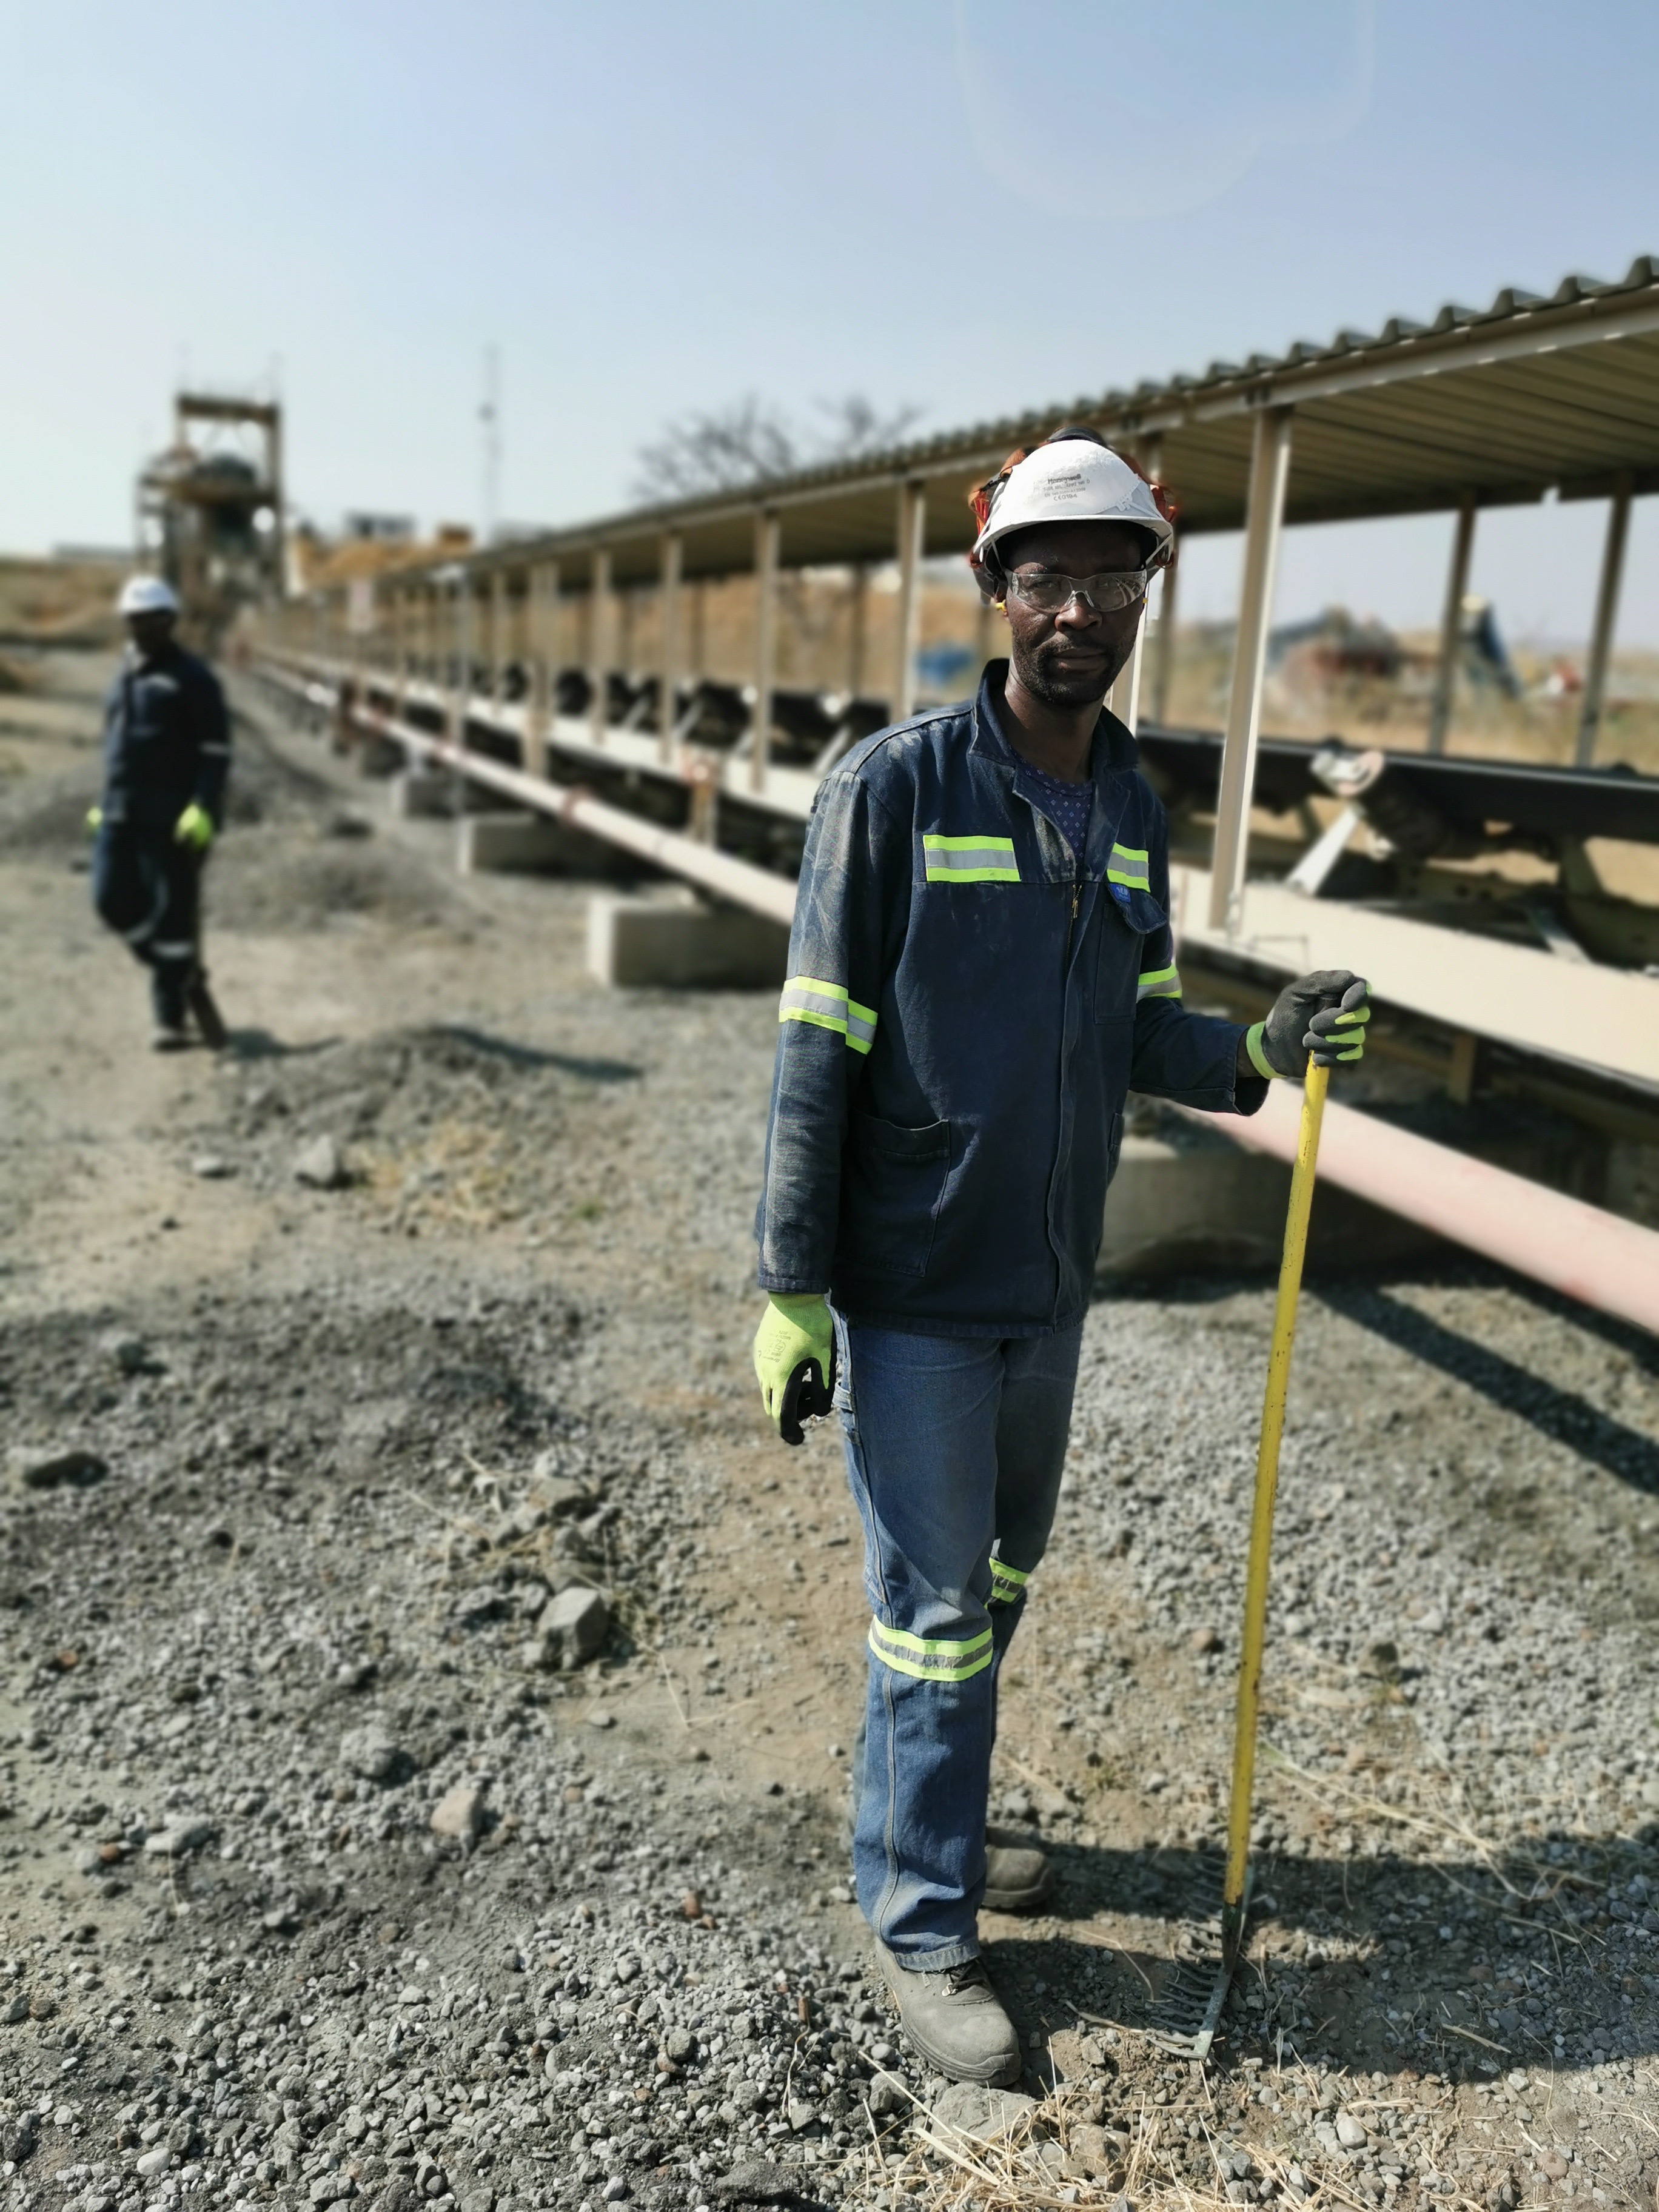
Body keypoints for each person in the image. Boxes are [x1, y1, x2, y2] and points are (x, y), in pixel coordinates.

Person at [749, 430, 1370, 2086]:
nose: (1079, 605)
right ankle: (921, 1919)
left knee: (994, 1586)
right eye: (1049, 574)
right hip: (916, 1288)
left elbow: (1139, 1027)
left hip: (1048, 1285)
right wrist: (790, 1284)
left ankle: (922, 1807)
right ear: (995, 591)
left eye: (1113, 574)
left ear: (1146, 594)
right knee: (937, 1609)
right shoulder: (893, 791)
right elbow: (819, 1046)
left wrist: (1265, 1046)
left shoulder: (1131, 810)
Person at [90, 577, 231, 1048]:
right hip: (120, 811)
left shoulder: (194, 678)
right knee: (109, 899)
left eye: (152, 620)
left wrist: (204, 808)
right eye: (134, 621)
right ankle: (180, 970)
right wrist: (103, 802)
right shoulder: (124, 673)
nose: (142, 629)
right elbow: (116, 745)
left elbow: (216, 751)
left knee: (175, 917)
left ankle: (169, 1018)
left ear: (170, 621)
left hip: (173, 816)